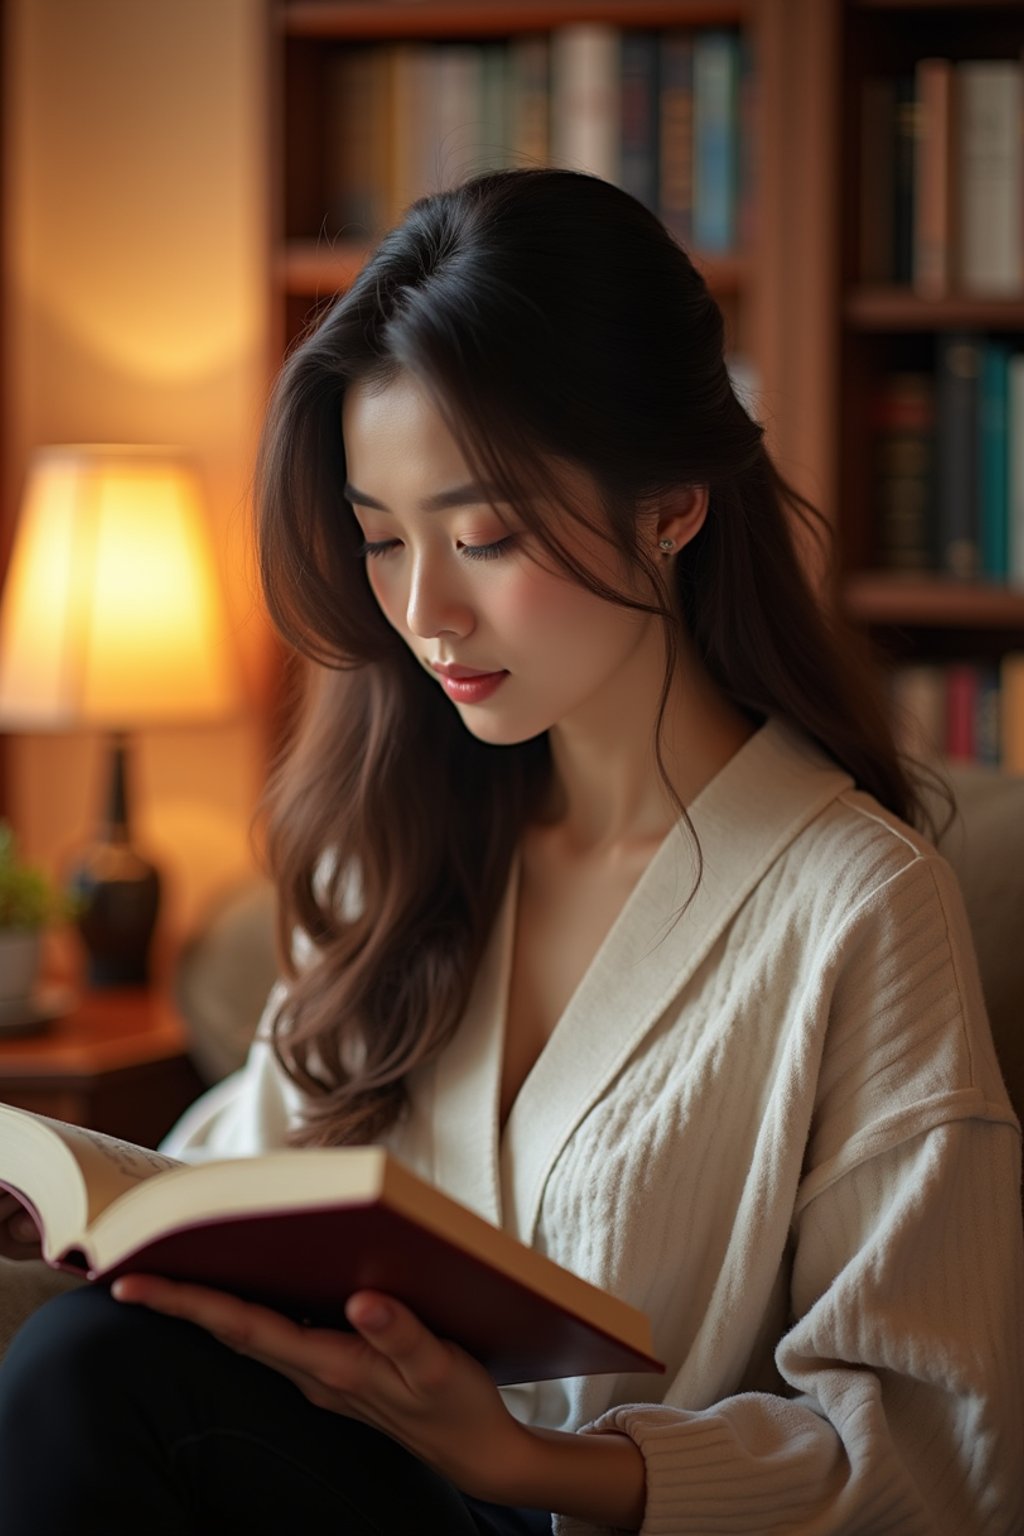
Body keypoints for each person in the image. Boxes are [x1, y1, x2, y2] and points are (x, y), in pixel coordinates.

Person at [0, 167, 1021, 1535]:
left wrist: (524, 1461)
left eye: (483, 536)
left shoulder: (856, 907)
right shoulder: (399, 843)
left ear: (673, 503)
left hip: (578, 1515)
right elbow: (248, 1172)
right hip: (350, 1484)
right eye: (380, 541)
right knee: (86, 1364)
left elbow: (927, 1455)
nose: (427, 612)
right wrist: (72, 1211)